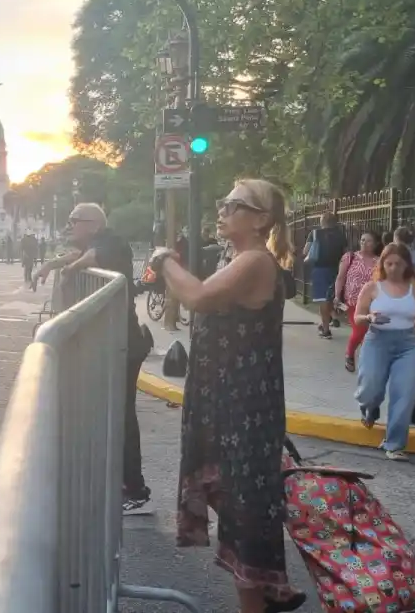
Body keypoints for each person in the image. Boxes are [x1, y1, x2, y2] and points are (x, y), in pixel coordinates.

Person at [155, 178, 304, 613]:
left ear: (261, 220)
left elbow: (199, 297)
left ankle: (260, 596)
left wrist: (164, 260)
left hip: (243, 405)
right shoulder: (240, 258)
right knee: (232, 496)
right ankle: (272, 588)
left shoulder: (256, 261)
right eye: (223, 202)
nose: (222, 210)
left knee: (243, 507)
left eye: (233, 204)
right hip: (226, 399)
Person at [34, 203, 152, 514]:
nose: (70, 225)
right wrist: (52, 264)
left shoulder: (111, 241)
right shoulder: (95, 242)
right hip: (109, 343)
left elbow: (91, 258)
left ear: (94, 224)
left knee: (122, 415)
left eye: (75, 220)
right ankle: (114, 479)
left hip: (124, 343)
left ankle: (135, 488)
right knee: (106, 413)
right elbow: (76, 255)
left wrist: (70, 270)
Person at [353, 243, 415, 462]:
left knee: (405, 393)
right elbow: (357, 317)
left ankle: (394, 444)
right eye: (389, 263)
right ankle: (369, 408)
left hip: (407, 345)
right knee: (369, 389)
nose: (394, 268)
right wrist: (369, 318)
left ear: (407, 265)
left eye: (398, 263)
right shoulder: (372, 288)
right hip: (377, 342)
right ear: (382, 264)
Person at [333, 230, 383, 372]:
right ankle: (351, 354)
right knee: (359, 329)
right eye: (362, 240)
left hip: (372, 302)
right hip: (352, 301)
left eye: (368, 240)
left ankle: (366, 359)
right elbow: (340, 277)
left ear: (376, 244)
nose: (364, 243)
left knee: (367, 332)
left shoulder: (380, 261)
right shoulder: (350, 257)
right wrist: (337, 296)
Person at [303, 212, 347, 339]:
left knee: (322, 299)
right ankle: (332, 317)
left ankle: (326, 329)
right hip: (336, 269)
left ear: (322, 221)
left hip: (320, 269)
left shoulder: (315, 233)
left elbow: (306, 251)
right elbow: (345, 253)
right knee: (331, 296)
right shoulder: (340, 235)